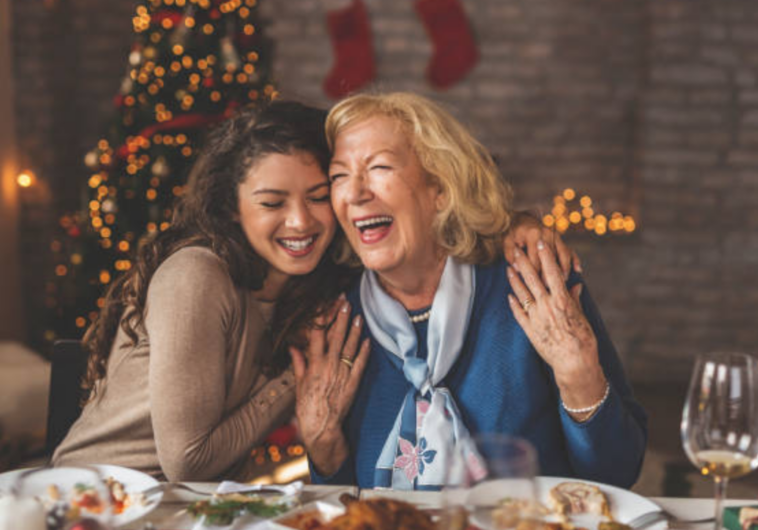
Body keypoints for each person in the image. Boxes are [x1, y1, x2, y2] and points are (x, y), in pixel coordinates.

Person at [52, 99, 572, 481]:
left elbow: (434, 225)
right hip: (97, 500)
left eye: (320, 195)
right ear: (233, 208)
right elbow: (187, 462)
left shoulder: (323, 283)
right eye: (272, 202)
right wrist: (290, 381)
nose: (300, 222)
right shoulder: (198, 275)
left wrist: (517, 225)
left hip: (189, 506)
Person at [293, 92, 647, 490]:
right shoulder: (338, 318)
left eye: (379, 167)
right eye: (339, 175)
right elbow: (340, 503)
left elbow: (618, 474)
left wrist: (579, 376)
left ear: (441, 189)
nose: (355, 193)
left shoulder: (533, 282)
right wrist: (323, 446)